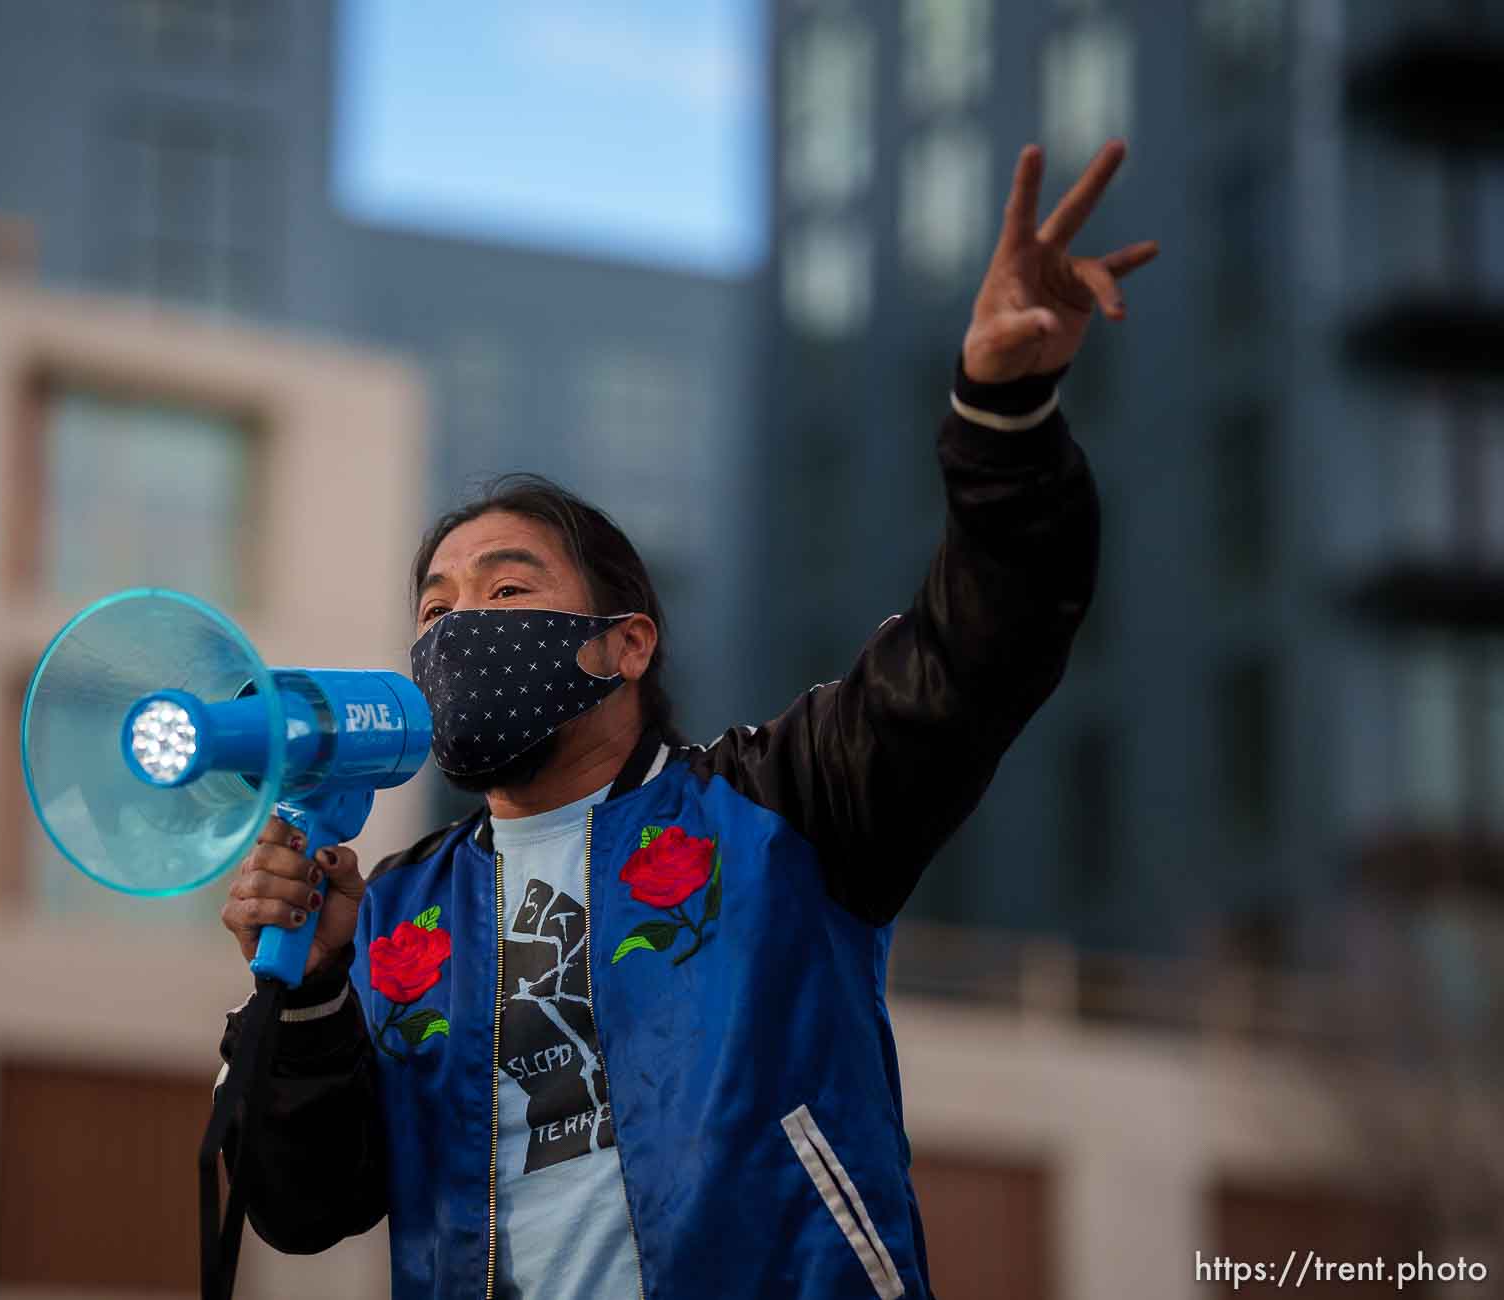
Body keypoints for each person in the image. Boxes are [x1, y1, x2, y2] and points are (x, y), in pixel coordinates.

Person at [214, 139, 1157, 1299]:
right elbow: (306, 1209)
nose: (459, 630)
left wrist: (1002, 412)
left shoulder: (785, 808)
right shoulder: (394, 908)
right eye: (435, 609)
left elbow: (986, 639)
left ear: (626, 643)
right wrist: (308, 990)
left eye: (509, 592)